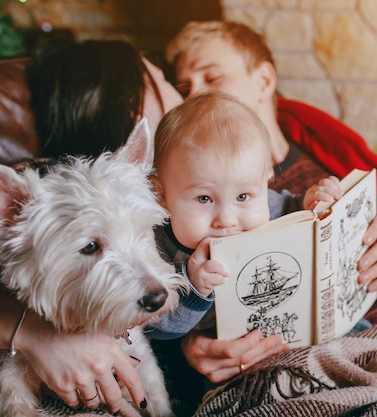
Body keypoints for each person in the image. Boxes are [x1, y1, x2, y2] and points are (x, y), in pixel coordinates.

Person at [163, 19, 377, 394]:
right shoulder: (182, 192)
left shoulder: (324, 163)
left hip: (373, 337)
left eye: (211, 78)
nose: (193, 94)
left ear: (264, 81)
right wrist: (187, 349)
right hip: (269, 369)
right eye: (185, 86)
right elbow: (139, 323)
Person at [0, 38, 184, 415]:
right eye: (92, 247)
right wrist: (31, 333)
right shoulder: (34, 203)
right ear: (127, 103)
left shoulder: (139, 185)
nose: (185, 88)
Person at [146, 90, 342, 340]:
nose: (227, 220)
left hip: (305, 328)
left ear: (266, 181)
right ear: (160, 194)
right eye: (204, 199)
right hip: (239, 357)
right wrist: (194, 289)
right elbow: (158, 329)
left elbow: (292, 210)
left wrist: (312, 201)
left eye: (243, 197)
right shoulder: (155, 252)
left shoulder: (268, 206)